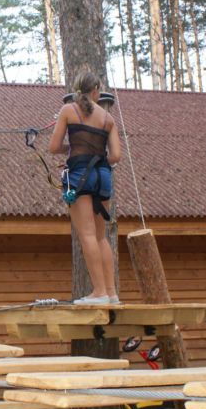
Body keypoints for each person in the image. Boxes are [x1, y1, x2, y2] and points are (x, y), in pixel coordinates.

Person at [48, 72, 123, 304]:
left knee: (87, 234)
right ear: (96, 91)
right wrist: (97, 159)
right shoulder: (108, 119)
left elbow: (53, 146)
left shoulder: (69, 111)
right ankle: (110, 292)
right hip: (102, 176)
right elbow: (116, 155)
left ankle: (98, 292)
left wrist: (72, 149)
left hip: (80, 174)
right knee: (101, 237)